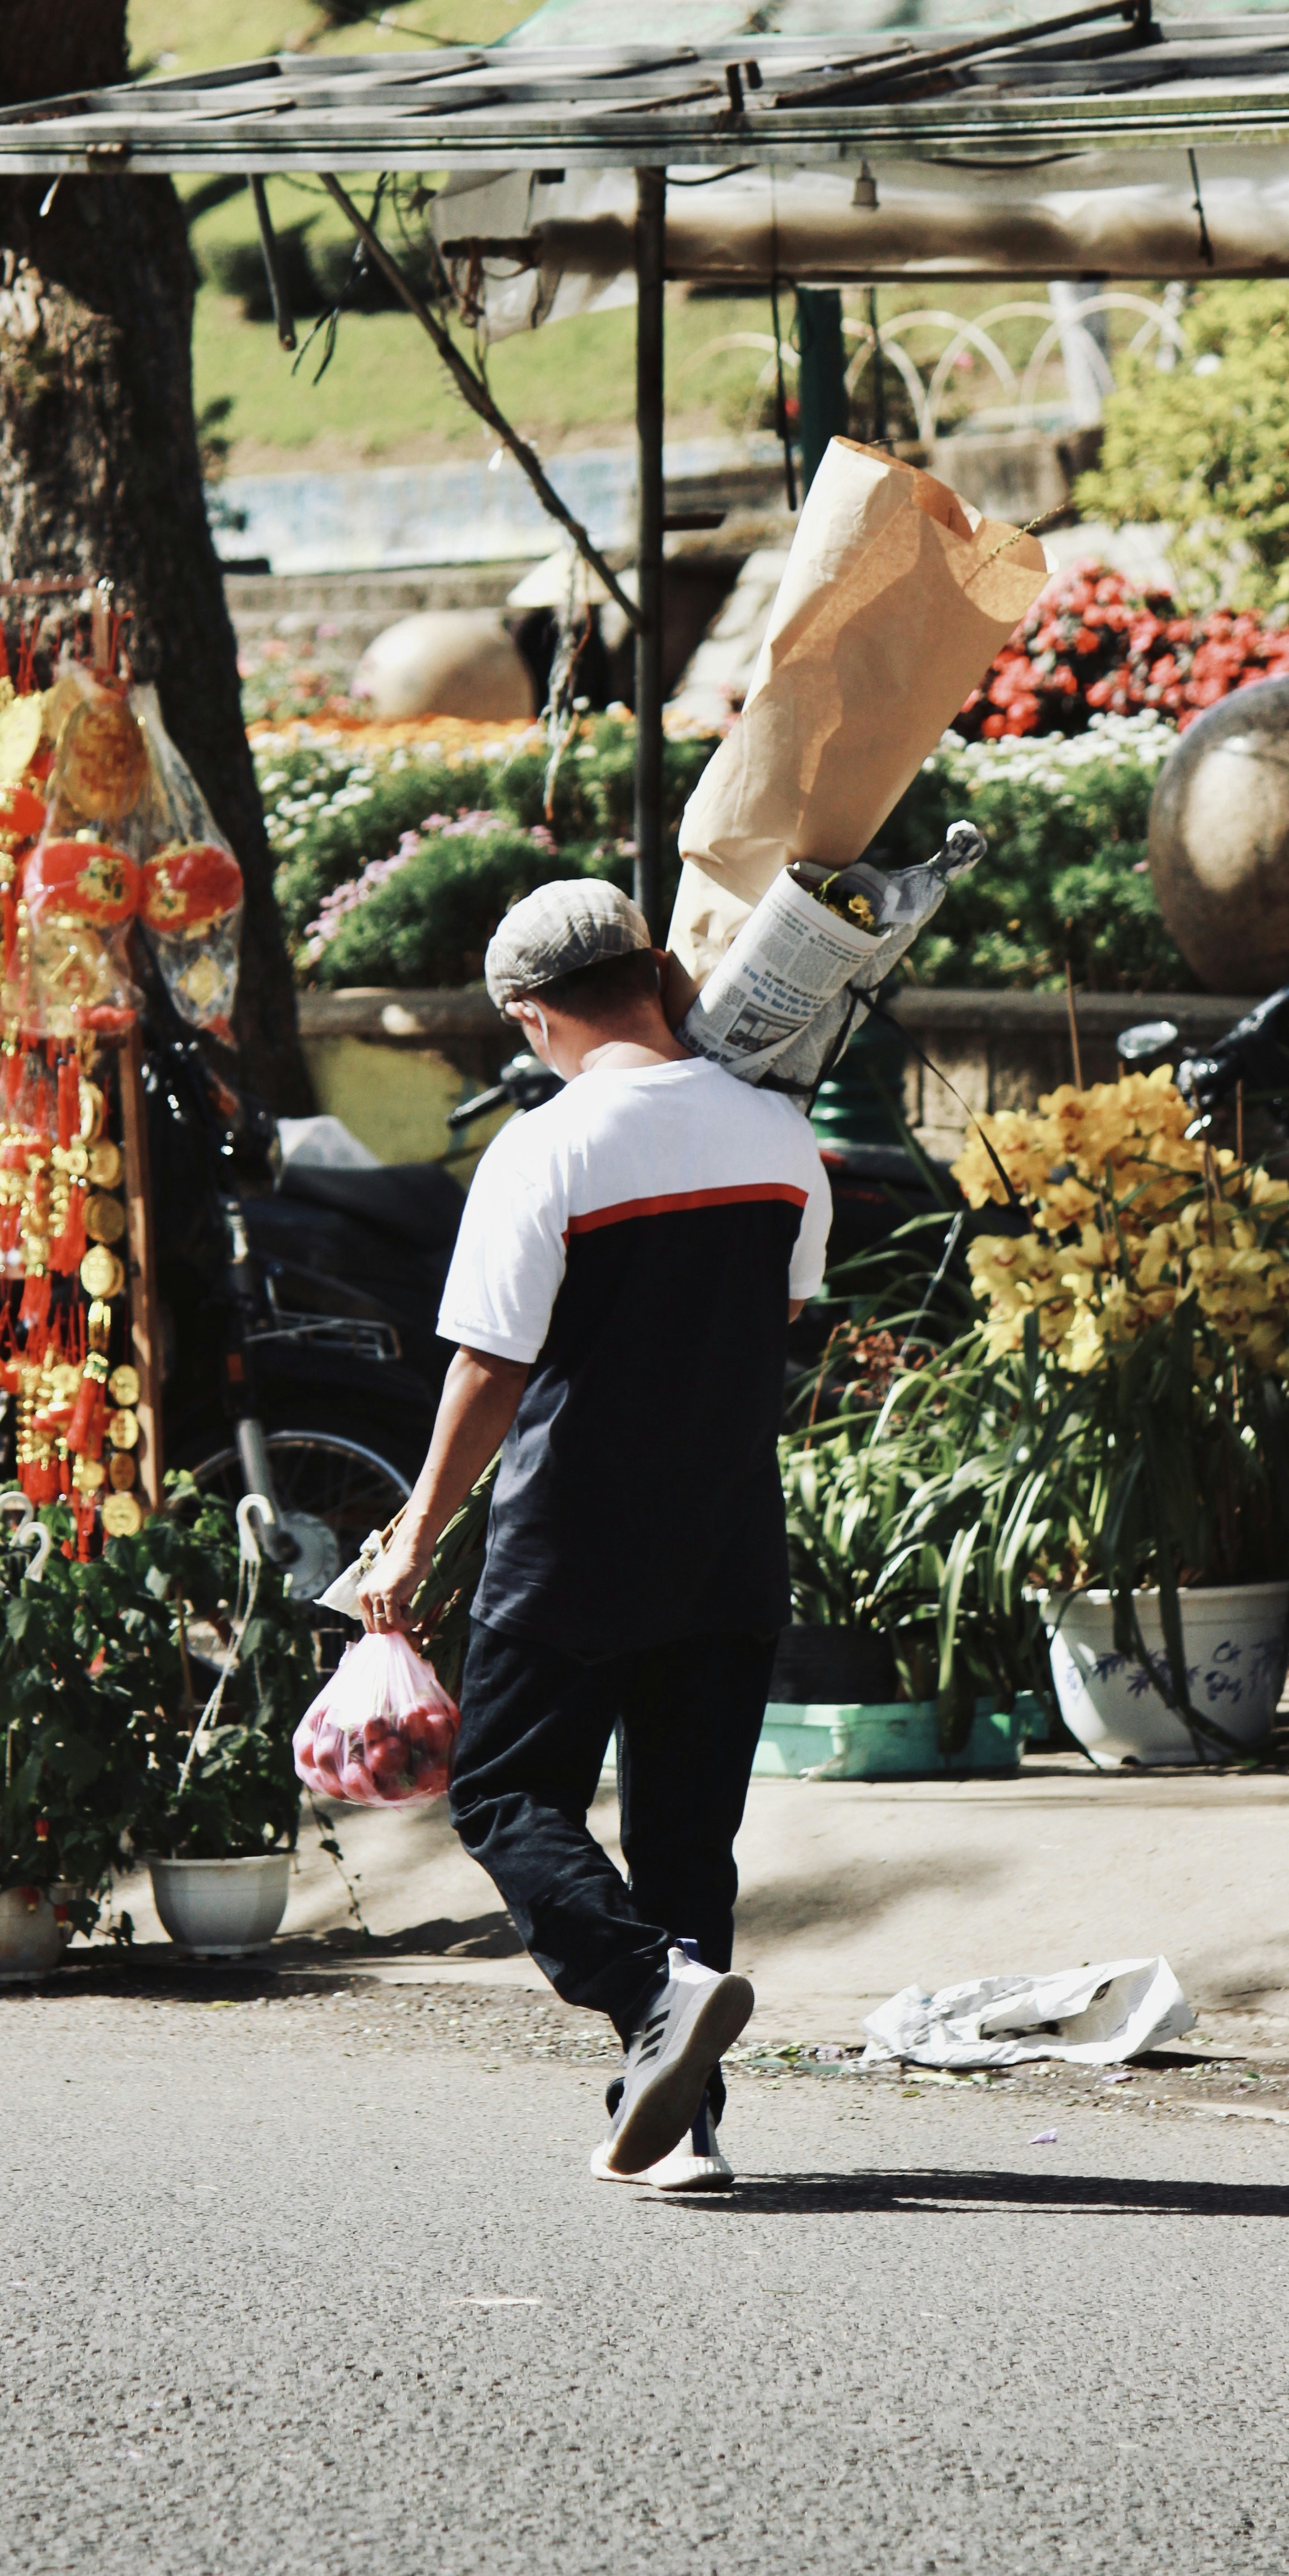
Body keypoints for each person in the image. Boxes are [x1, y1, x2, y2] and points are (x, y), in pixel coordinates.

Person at [359, 878, 831, 2190]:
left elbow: (486, 1373)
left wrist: (408, 1538)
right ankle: (685, 2119)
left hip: (573, 1539)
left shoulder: (546, 1149)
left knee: (506, 1790)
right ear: (656, 978)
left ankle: (646, 1991)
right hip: (732, 1537)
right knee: (685, 1839)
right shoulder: (778, 1136)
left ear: (529, 1017)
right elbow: (780, 1321)